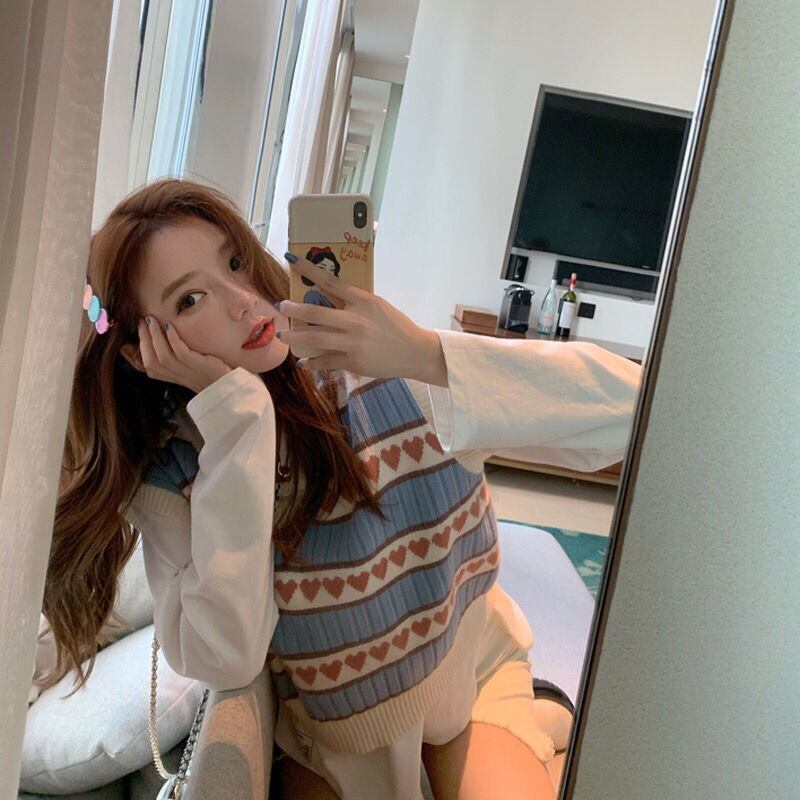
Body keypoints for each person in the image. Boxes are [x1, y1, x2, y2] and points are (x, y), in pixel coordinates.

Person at [38, 178, 641, 800]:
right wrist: (239, 424)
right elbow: (225, 657)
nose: (244, 301)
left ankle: (539, 707)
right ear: (143, 353)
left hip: (474, 675)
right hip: (341, 736)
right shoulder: (174, 471)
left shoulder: (383, 368)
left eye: (235, 262)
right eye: (190, 299)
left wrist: (426, 354)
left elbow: (638, 412)